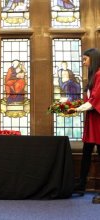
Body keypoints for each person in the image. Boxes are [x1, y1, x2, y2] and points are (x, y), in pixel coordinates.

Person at [67, 48, 100, 204]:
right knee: (87, 151)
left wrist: (76, 109)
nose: (84, 62)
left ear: (93, 59)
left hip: (98, 120)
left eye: (85, 59)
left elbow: (94, 102)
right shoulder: (93, 76)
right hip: (92, 120)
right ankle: (81, 185)